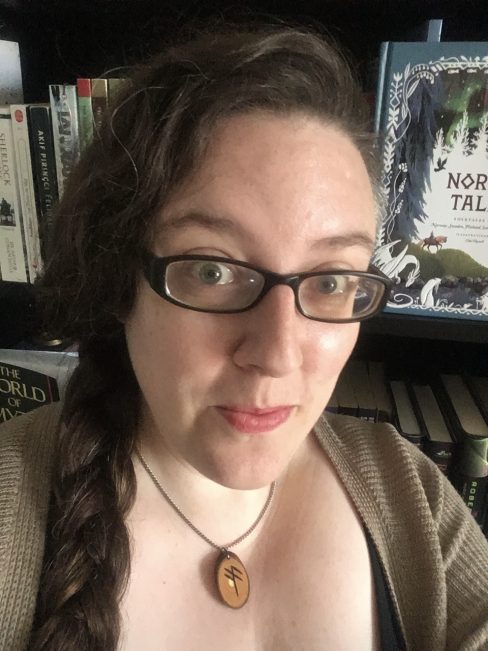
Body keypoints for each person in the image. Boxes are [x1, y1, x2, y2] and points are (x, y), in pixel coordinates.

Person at [0, 24, 487, 651]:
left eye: (334, 281)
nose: (278, 353)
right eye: (214, 271)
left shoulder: (412, 494)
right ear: (118, 276)